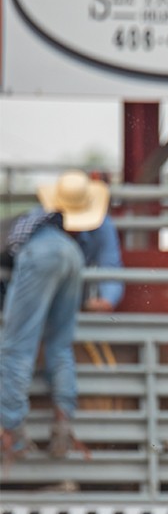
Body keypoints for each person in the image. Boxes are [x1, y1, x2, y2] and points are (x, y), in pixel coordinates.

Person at [1, 170, 118, 464]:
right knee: (61, 344)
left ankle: (12, 430)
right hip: (71, 258)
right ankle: (63, 423)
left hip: (41, 255)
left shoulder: (33, 221)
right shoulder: (81, 239)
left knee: (18, 345)